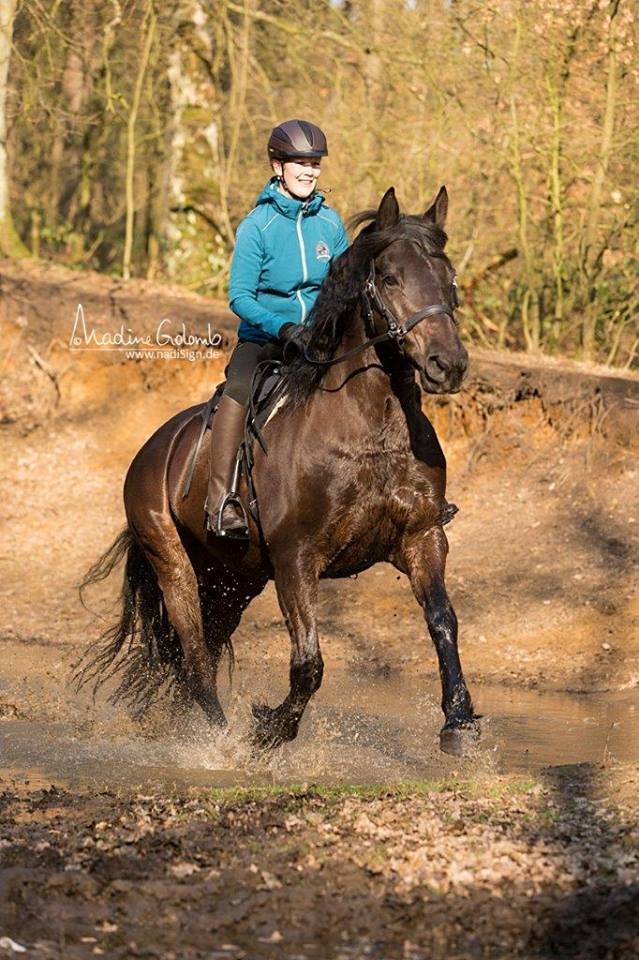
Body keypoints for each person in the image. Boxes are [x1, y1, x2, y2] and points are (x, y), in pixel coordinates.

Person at [205, 119, 349, 538]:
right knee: (237, 392)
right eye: (299, 162)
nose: (309, 171)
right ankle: (221, 501)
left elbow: (341, 284)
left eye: (315, 163)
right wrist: (283, 327)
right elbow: (240, 297)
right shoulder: (257, 226)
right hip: (267, 342)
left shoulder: (330, 223)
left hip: (320, 341)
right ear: (277, 164)